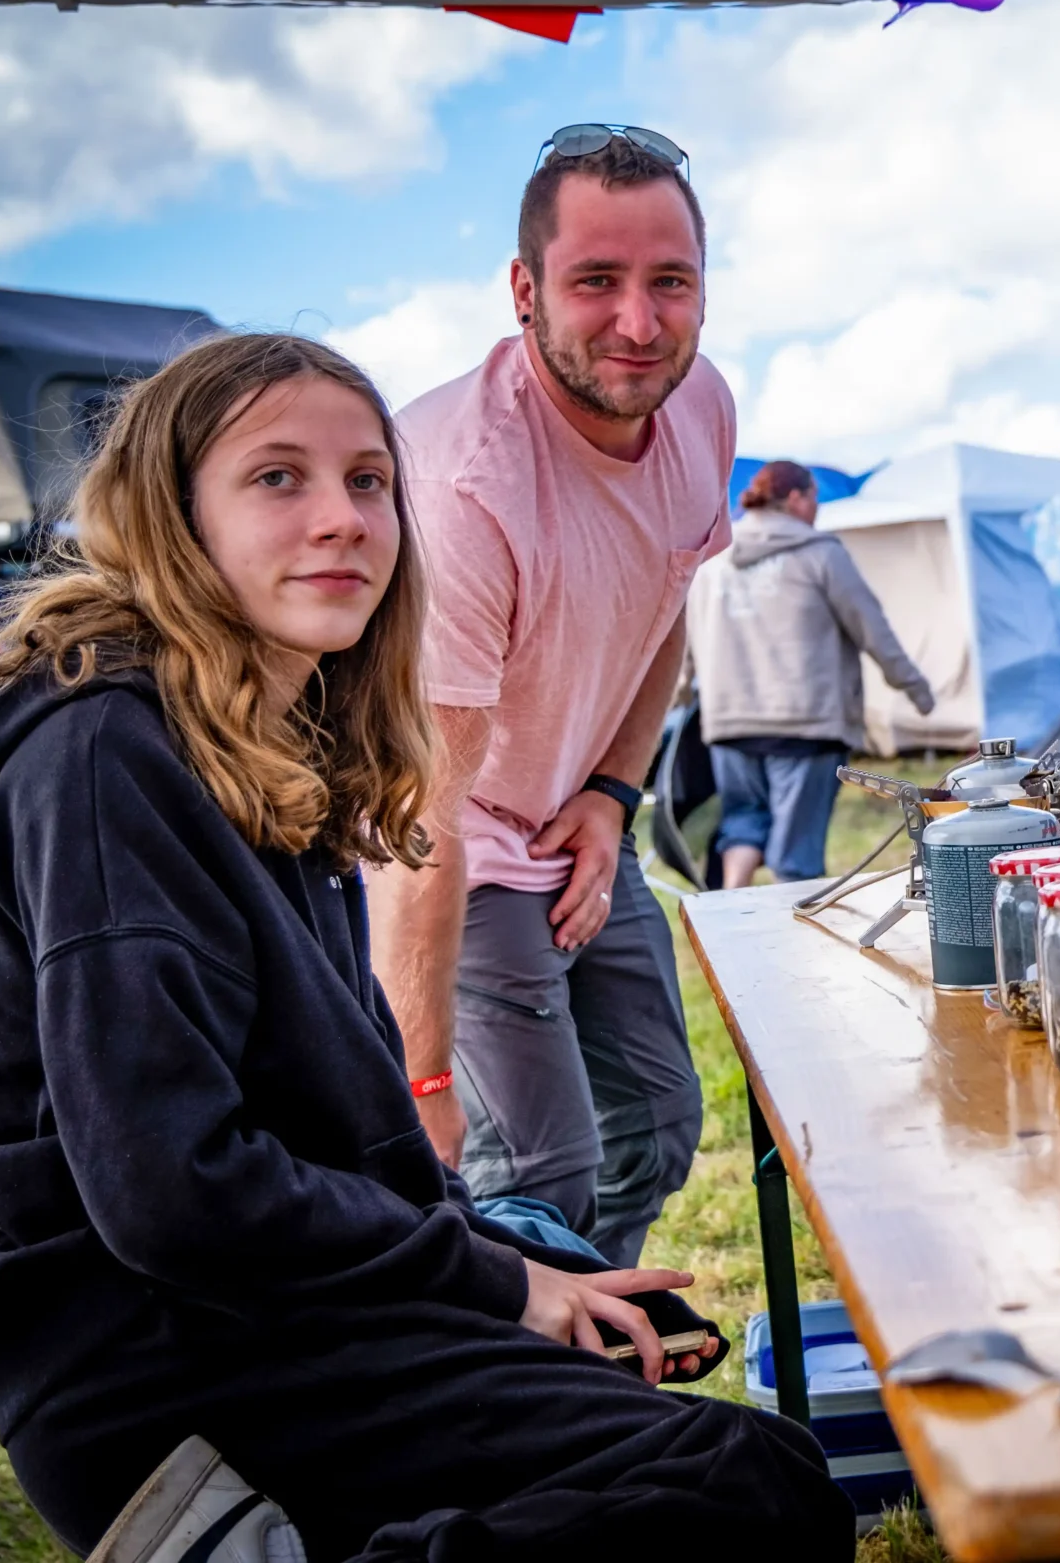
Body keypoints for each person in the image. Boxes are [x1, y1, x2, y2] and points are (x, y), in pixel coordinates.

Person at [0, 334, 852, 1560]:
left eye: (368, 481)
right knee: (744, 1488)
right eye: (276, 478)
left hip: (273, 1302)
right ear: (172, 514)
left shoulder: (264, 742)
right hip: (149, 1362)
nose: (343, 519)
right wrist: (498, 1288)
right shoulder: (103, 756)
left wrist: (497, 1255)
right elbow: (168, 1189)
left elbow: (328, 1126)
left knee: (731, 1447)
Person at [372, 125, 726, 1266]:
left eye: (668, 281)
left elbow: (665, 598)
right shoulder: (463, 487)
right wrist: (421, 1078)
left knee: (658, 1133)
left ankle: (590, 1344)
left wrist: (614, 793)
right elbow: (415, 820)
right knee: (531, 1175)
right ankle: (516, 1405)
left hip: (576, 819)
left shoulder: (701, 406)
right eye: (596, 282)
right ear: (525, 291)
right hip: (453, 848)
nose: (639, 323)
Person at [686, 459, 933, 888]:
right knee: (795, 851)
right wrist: (914, 687)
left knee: (742, 825)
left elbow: (685, 642)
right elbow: (871, 628)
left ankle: (729, 918)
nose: (817, 509)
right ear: (797, 499)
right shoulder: (821, 555)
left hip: (728, 722)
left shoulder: (714, 561)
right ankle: (789, 939)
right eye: (815, 498)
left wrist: (673, 700)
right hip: (806, 723)